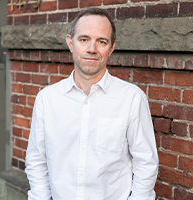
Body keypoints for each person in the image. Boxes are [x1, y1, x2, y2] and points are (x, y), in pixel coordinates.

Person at [25, 8, 158, 200]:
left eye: (101, 41)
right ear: (70, 43)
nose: (92, 49)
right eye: (84, 39)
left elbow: (146, 164)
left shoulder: (131, 98)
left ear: (111, 47)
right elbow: (37, 161)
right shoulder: (47, 99)